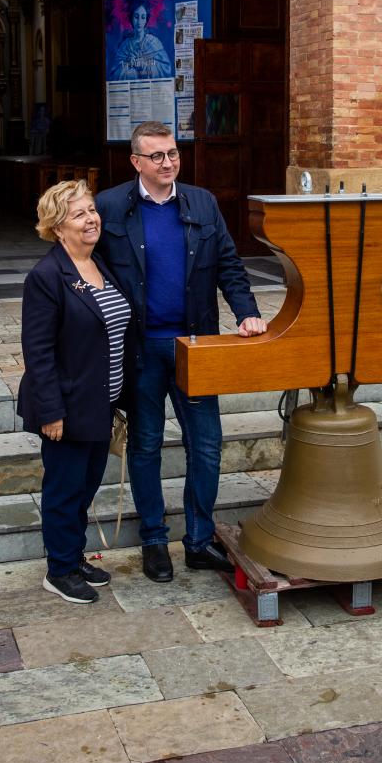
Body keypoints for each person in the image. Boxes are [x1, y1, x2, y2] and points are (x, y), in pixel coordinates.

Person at [95, 121, 267, 582]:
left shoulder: (202, 202)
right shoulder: (110, 206)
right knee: (147, 446)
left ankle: (198, 540)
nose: (168, 163)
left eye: (173, 153)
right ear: (136, 162)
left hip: (197, 345)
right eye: (157, 156)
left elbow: (229, 264)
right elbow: (89, 272)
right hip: (142, 350)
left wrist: (246, 312)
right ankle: (154, 540)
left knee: (206, 445)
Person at [17, 181, 133, 604]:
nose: (91, 219)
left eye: (92, 210)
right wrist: (51, 412)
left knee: (85, 487)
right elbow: (39, 351)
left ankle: (74, 554)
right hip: (66, 406)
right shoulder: (48, 277)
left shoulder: (101, 264)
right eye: (79, 214)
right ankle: (59, 569)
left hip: (102, 402)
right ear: (56, 226)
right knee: (64, 491)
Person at [111, 1, 172, 81]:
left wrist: (143, 65)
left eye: (143, 17)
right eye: (136, 17)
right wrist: (128, 65)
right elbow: (114, 74)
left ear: (146, 20)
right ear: (131, 18)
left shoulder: (153, 42)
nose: (139, 22)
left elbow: (165, 69)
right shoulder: (125, 46)